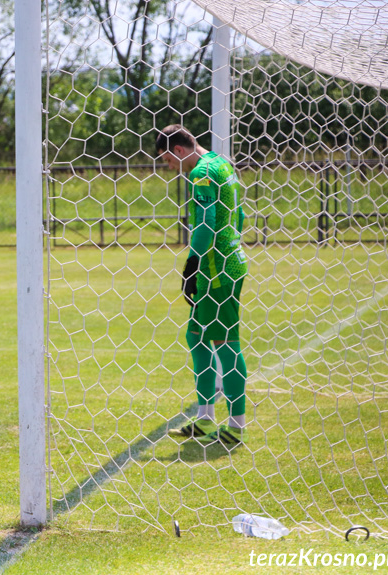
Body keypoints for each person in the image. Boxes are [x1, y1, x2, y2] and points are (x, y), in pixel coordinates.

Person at [156, 124, 249, 446]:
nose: (169, 167)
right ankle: (206, 419)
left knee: (225, 343)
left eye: (167, 160)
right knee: (196, 337)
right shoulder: (221, 162)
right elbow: (236, 213)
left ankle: (236, 426)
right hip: (224, 261)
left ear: (179, 150)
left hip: (217, 267)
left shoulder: (202, 172)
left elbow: (207, 221)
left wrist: (192, 264)